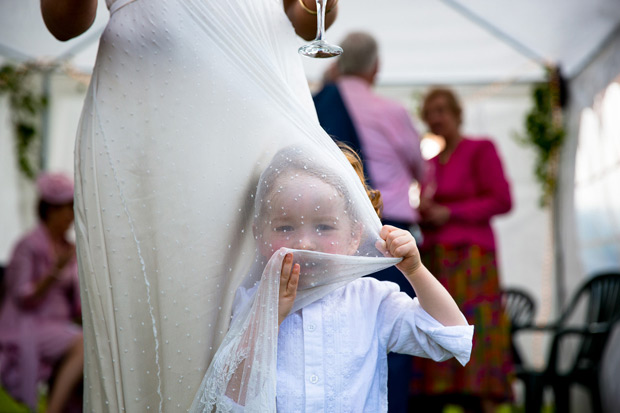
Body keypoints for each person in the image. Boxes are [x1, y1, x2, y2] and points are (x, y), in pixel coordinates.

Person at [39, 1, 426, 412]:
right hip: (150, 101)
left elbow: (307, 19)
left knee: (275, 284)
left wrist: (317, 7)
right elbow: (63, 23)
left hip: (262, 96)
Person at [191, 146, 473, 412]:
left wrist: (415, 271)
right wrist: (268, 318)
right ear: (259, 235)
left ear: (354, 237)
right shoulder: (248, 301)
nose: (305, 243)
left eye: (324, 226)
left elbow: (449, 337)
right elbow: (227, 398)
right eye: (285, 226)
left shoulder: (373, 300)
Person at [314, 31, 426, 411]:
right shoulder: (391, 111)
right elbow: (420, 169)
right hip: (390, 230)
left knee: (334, 327)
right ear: (375, 68)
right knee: (390, 325)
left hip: (329, 232)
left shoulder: (317, 104)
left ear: (337, 64)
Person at [412, 87, 514, 413]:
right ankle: (443, 394)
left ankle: (482, 399)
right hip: (437, 262)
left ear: (457, 113)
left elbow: (502, 200)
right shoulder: (428, 164)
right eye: (430, 112)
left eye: (442, 110)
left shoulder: (480, 149)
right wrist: (425, 213)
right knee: (442, 325)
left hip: (473, 259)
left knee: (476, 327)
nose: (435, 118)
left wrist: (450, 213)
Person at [0, 172, 83, 413]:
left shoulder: (69, 248)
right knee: (82, 343)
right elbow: (23, 298)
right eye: (68, 208)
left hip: (58, 325)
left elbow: (76, 305)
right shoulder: (28, 245)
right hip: (26, 324)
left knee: (95, 344)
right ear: (51, 210)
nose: (72, 216)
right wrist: (55, 270)